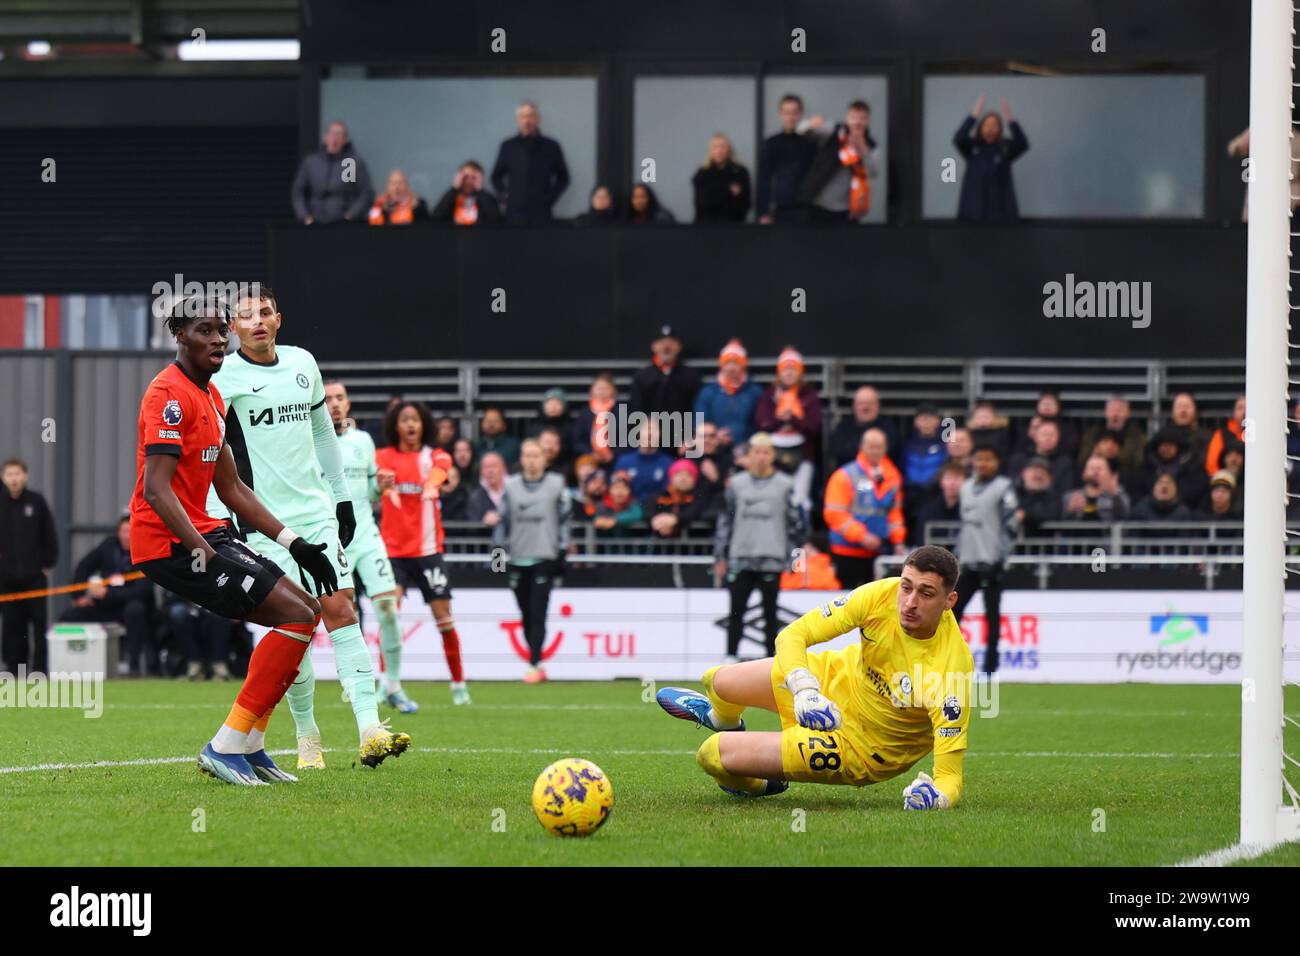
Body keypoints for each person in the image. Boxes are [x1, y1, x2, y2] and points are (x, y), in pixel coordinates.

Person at [132, 294, 374, 788]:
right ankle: (225, 745)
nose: (218, 338)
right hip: (172, 544)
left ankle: (252, 744)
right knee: (295, 614)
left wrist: (294, 542)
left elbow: (232, 488)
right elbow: (156, 489)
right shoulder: (168, 395)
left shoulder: (212, 396)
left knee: (306, 611)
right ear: (179, 335)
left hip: (209, 533)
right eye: (204, 330)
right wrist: (200, 549)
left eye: (221, 329)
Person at [205, 287, 410, 771]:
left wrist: (341, 497)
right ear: (233, 328)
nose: (257, 321)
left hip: (315, 513)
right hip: (263, 522)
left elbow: (322, 432)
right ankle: (307, 734)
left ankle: (369, 728)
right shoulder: (224, 378)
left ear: (280, 319)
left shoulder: (303, 365)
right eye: (246, 316)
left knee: (341, 609)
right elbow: (213, 453)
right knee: (294, 621)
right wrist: (221, 516)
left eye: (265, 313)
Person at [655, 545, 971, 810]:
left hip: (860, 748)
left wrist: (937, 798)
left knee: (711, 755)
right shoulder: (882, 596)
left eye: (926, 594)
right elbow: (795, 633)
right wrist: (805, 689)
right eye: (906, 586)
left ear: (949, 601)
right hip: (836, 679)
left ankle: (762, 783)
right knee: (718, 681)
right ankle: (723, 719)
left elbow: (950, 777)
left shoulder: (950, 672)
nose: (909, 602)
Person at [323, 380, 419, 714]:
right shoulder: (309, 442)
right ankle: (356, 683)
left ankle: (393, 685)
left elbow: (371, 493)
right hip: (331, 542)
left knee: (388, 608)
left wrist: (379, 486)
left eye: (340, 398)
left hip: (365, 535)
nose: (335, 404)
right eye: (328, 399)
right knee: (346, 616)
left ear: (348, 404)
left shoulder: (363, 441)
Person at [375, 400, 471, 705]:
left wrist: (431, 486)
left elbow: (443, 470)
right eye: (404, 420)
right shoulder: (383, 456)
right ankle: (387, 682)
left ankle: (458, 684)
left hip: (428, 550)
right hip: (393, 550)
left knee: (444, 618)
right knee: (389, 614)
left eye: (415, 419)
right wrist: (387, 489)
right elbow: (381, 480)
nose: (410, 425)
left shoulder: (435, 455)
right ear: (395, 426)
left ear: (423, 424)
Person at [714, 434, 803, 661]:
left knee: (770, 613)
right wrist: (720, 556)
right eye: (757, 452)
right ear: (749, 455)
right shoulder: (736, 484)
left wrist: (795, 559)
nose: (761, 457)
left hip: (771, 557)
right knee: (736, 611)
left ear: (772, 455)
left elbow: (795, 525)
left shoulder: (785, 485)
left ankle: (771, 660)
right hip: (741, 556)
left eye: (766, 452)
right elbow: (725, 521)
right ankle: (730, 656)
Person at [495, 439, 571, 683]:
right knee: (525, 612)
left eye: (536, 455)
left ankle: (534, 663)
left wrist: (562, 552)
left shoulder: (557, 485)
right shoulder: (510, 486)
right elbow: (502, 523)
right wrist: (498, 557)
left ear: (544, 458)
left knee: (538, 612)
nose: (531, 460)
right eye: (527, 455)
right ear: (521, 458)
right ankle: (535, 661)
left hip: (544, 556)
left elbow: (565, 520)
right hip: (518, 557)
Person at [950, 445, 1019, 674]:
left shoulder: (1003, 488)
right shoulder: (966, 488)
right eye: (979, 459)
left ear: (997, 463)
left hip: (992, 563)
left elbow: (1011, 526)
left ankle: (990, 667)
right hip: (968, 562)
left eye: (988, 459)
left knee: (992, 616)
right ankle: (953, 660)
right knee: (952, 612)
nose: (982, 464)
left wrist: (1002, 559)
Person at [60, 515, 156, 676]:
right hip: (104, 607)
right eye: (123, 531)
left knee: (135, 609)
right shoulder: (108, 546)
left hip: (131, 609)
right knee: (68, 616)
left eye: (130, 531)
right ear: (118, 533)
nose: (126, 536)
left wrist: (108, 593)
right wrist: (79, 596)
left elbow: (143, 590)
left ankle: (134, 667)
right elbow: (83, 567)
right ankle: (71, 666)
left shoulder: (145, 551)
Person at [823, 428, 907, 589]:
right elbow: (834, 514)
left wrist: (898, 541)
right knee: (846, 603)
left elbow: (894, 513)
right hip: (847, 551)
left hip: (879, 552)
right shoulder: (845, 475)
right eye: (871, 446)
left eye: (879, 446)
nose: (875, 451)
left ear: (885, 448)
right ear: (862, 447)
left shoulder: (892, 476)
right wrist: (862, 536)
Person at [0, 458, 57, 673]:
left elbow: (50, 536)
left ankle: (40, 668)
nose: (13, 479)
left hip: (34, 576)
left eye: (17, 474)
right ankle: (14, 667)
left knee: (38, 623)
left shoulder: (37, 501)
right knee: (12, 624)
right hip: (7, 577)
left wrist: (46, 564)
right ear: (3, 478)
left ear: (25, 476)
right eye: (9, 474)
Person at [754, 346, 822, 511]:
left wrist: (792, 419)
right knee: (774, 496)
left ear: (800, 372)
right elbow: (761, 423)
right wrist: (779, 418)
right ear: (779, 372)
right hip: (774, 454)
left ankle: (800, 533)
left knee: (800, 498)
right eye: (785, 369)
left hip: (802, 454)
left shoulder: (809, 395)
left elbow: (814, 428)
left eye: (794, 369)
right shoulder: (769, 395)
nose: (789, 373)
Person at [490, 101, 570, 224]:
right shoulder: (508, 146)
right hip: (514, 213)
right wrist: (506, 196)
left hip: (541, 213)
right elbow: (496, 177)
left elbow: (563, 178)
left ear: (538, 119)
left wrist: (548, 199)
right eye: (523, 116)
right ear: (517, 120)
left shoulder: (551, 146)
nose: (527, 121)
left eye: (531, 116)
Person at [801, 100, 879, 223]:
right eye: (854, 117)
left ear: (868, 120)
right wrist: (810, 124)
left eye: (863, 118)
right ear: (847, 118)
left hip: (848, 209)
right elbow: (801, 129)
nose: (858, 122)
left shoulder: (870, 144)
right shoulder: (835, 131)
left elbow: (873, 173)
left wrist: (863, 149)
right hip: (818, 204)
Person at [953, 95, 1028, 223]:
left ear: (999, 129)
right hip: (973, 212)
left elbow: (1022, 144)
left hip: (1001, 213)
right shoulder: (971, 147)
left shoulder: (1005, 147)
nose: (990, 128)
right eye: (987, 124)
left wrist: (1010, 120)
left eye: (994, 125)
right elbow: (958, 138)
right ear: (980, 128)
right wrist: (973, 116)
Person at [291, 120, 374, 225]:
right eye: (332, 133)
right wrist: (305, 216)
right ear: (325, 137)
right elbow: (298, 192)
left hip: (342, 225)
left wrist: (350, 216)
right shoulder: (311, 162)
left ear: (346, 140)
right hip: (313, 223)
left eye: (339, 134)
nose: (335, 138)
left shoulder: (350, 163)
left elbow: (365, 193)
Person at [756, 93, 817, 224]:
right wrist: (763, 212)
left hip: (806, 210)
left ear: (801, 114)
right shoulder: (771, 144)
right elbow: (764, 179)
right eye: (786, 112)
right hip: (780, 209)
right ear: (780, 114)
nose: (790, 117)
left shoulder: (810, 143)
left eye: (794, 112)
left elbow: (817, 176)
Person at [693, 339, 763, 447]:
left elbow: (760, 424)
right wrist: (714, 435)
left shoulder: (755, 392)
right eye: (727, 363)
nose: (731, 368)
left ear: (743, 365)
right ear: (721, 365)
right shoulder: (708, 392)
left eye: (736, 363)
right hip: (713, 447)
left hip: (747, 448)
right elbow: (698, 422)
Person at [629, 324, 702, 424]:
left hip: (683, 434)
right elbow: (636, 410)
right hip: (651, 434)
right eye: (662, 343)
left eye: (671, 343)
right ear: (653, 346)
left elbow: (698, 410)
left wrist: (691, 434)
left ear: (679, 347)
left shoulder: (691, 376)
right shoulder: (642, 376)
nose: (666, 347)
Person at [827, 386, 898, 466]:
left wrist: (856, 449)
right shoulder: (844, 425)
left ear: (878, 406)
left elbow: (891, 450)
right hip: (849, 474)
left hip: (880, 472)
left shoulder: (887, 426)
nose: (865, 407)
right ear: (854, 406)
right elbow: (836, 450)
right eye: (861, 403)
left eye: (870, 403)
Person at [1077, 396, 1147, 476]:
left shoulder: (1137, 435)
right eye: (1112, 410)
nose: (1115, 414)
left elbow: (1138, 462)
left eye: (1120, 411)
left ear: (1128, 413)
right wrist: (1097, 453)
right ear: (1105, 412)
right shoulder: (1093, 433)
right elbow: (1082, 459)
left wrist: (1113, 454)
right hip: (1095, 474)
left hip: (1126, 476)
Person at [692, 133, 751, 222]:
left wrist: (715, 191)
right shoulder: (702, 173)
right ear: (710, 151)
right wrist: (728, 190)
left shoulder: (740, 172)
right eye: (715, 147)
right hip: (706, 225)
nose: (719, 150)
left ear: (729, 149)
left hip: (733, 225)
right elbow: (702, 203)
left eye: (722, 146)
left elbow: (744, 204)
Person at [612, 423, 674, 504]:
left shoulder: (668, 463)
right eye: (646, 429)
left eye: (654, 429)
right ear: (638, 432)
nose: (650, 433)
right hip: (628, 511)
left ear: (660, 434)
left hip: (657, 511)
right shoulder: (624, 462)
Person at [1008, 419, 1075, 493]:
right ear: (1035, 437)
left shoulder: (1065, 462)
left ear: (1058, 438)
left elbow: (1066, 489)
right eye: (1045, 434)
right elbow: (1012, 484)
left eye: (1052, 435)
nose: (1048, 438)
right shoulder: (1019, 459)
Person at [650, 459, 711, 538]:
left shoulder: (699, 497)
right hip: (659, 545)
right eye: (679, 474)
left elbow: (695, 512)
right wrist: (656, 521)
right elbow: (648, 509)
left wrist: (675, 519)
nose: (683, 479)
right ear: (672, 477)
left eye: (688, 475)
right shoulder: (660, 495)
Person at [570, 372, 620, 466]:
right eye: (599, 388)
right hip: (589, 459)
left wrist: (613, 454)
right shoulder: (585, 413)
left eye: (606, 388)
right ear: (592, 391)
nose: (602, 392)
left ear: (613, 391)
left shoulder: (620, 412)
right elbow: (577, 441)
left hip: (616, 459)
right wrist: (591, 454)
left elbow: (628, 441)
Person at [430, 160, 502, 225]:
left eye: (473, 178)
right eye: (465, 177)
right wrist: (454, 189)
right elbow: (436, 217)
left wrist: (480, 191)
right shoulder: (451, 198)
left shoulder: (486, 199)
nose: (469, 182)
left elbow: (495, 219)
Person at [911, 460, 965, 546]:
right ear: (941, 482)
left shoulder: (969, 511)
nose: (952, 483)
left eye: (957, 478)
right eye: (948, 478)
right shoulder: (928, 512)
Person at [1063, 455, 1131, 523]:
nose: (1095, 472)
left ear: (1109, 474)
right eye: (1092, 468)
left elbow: (1124, 523)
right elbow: (1060, 527)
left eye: (1099, 469)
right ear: (1084, 474)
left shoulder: (1118, 496)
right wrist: (1070, 512)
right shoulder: (1070, 497)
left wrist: (1115, 496)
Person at [1014, 457, 1061, 534]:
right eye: (1034, 471)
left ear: (1049, 479)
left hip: (1041, 543)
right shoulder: (1012, 493)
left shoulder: (1053, 498)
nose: (1038, 475)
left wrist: (1025, 516)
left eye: (1043, 473)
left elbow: (1052, 516)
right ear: (1024, 473)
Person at [1204, 395, 1246, 476]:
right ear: (1233, 412)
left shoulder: (1260, 435)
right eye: (1240, 408)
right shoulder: (1221, 434)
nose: (1244, 412)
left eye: (1248, 407)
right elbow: (1212, 465)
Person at [467, 451, 508, 523]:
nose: (490, 471)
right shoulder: (476, 497)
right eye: (486, 467)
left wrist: (501, 518)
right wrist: (484, 522)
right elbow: (472, 527)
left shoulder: (514, 490)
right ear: (481, 472)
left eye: (494, 466)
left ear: (503, 468)